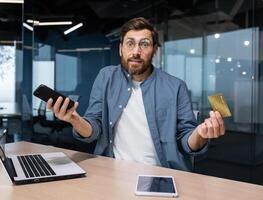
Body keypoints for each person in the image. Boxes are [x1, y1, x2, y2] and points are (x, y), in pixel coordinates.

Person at [47, 17, 225, 171]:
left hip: (161, 173)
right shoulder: (106, 77)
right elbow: (94, 129)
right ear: (121, 49)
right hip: (112, 170)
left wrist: (200, 134)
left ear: (154, 50)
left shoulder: (176, 86)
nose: (136, 52)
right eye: (130, 43)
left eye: (144, 44)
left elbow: (186, 142)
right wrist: (75, 120)